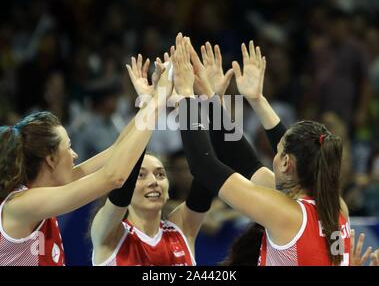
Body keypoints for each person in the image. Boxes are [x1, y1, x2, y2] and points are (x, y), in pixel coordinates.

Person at [172, 33, 350, 266]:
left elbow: (204, 166)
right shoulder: (336, 208)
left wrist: (186, 97)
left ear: (286, 163)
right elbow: (243, 159)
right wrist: (227, 100)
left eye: (278, 153)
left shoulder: (285, 212)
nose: (272, 159)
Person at [0, 63, 171, 266]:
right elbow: (114, 176)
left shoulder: (47, 189)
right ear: (51, 159)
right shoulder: (20, 205)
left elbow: (117, 150)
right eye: (69, 147)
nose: (75, 154)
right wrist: (159, 101)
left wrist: (147, 103)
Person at [90, 53, 215, 266]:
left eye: (160, 174)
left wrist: (184, 101)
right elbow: (125, 170)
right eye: (141, 175)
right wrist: (149, 105)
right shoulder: (109, 234)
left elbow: (208, 169)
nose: (154, 181)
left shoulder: (182, 229)